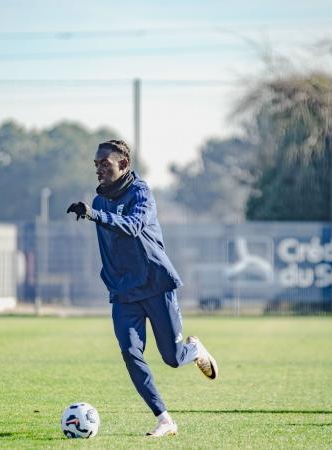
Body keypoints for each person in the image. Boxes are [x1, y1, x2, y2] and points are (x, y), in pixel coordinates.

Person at [66, 139, 218, 437]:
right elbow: (108, 247)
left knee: (172, 359)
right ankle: (164, 419)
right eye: (96, 164)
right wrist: (109, 278)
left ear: (123, 165)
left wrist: (94, 215)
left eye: (104, 164)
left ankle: (195, 349)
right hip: (124, 294)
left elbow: (134, 226)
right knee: (130, 352)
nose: (98, 169)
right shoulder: (99, 201)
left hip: (155, 285)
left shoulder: (141, 193)